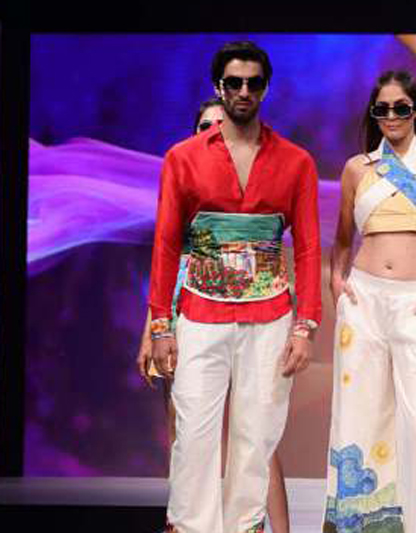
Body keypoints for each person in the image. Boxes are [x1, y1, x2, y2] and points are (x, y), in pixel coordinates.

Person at [148, 41, 321, 533]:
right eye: (234, 82)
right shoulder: (182, 158)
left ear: (265, 88)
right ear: (218, 87)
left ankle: (244, 526)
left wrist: (306, 326)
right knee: (194, 437)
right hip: (200, 315)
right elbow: (166, 245)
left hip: (271, 318)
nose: (244, 91)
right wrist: (160, 324)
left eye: (253, 83)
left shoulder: (296, 162)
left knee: (257, 436)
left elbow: (308, 249)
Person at [323, 70, 416, 533]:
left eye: (401, 108)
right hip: (364, 301)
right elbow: (342, 239)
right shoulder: (358, 168)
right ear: (374, 114)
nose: (392, 116)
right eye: (382, 109)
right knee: (360, 419)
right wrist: (336, 283)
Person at [136, 96, 291, 533]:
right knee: (187, 431)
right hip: (184, 314)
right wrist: (153, 329)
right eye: (204, 126)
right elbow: (167, 262)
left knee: (255, 435)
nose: (212, 132)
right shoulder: (186, 179)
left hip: (247, 312)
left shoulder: (251, 181)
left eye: (219, 125)